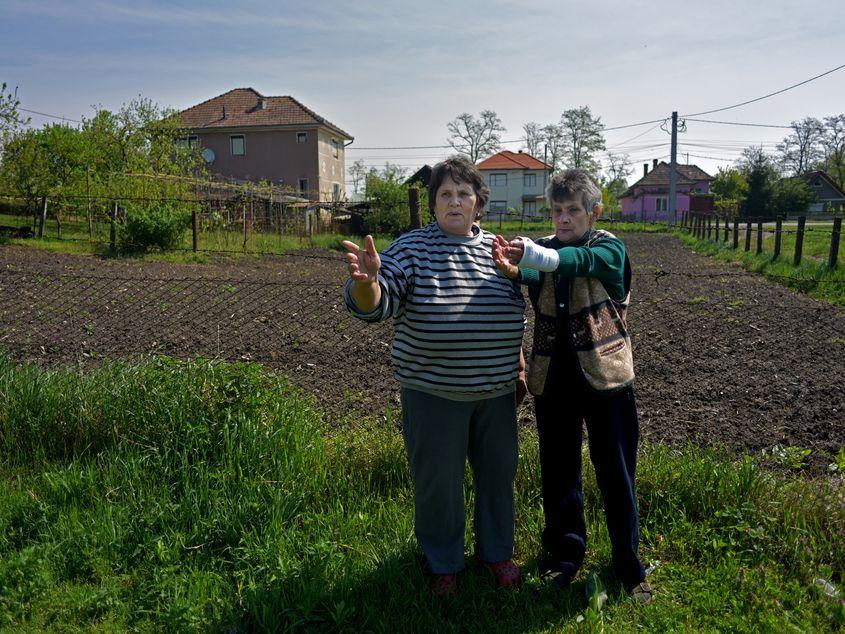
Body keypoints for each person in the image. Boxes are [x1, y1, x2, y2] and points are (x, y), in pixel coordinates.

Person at [342, 156, 526, 596]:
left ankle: (496, 553)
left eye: (464, 194)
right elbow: (377, 303)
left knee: (498, 479)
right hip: (433, 393)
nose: (455, 201)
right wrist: (367, 282)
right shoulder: (410, 249)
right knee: (438, 486)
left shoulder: (500, 250)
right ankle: (444, 562)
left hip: (496, 394)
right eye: (445, 194)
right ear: (434, 204)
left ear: (479, 204)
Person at [492, 169, 653, 604]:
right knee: (559, 471)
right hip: (553, 377)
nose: (563, 219)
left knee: (616, 472)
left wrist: (533, 257)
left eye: (573, 210)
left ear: (593, 211)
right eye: (557, 211)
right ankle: (565, 556)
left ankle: (627, 563)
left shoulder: (608, 248)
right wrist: (513, 269)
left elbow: (575, 263)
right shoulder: (543, 250)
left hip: (606, 377)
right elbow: (533, 277)